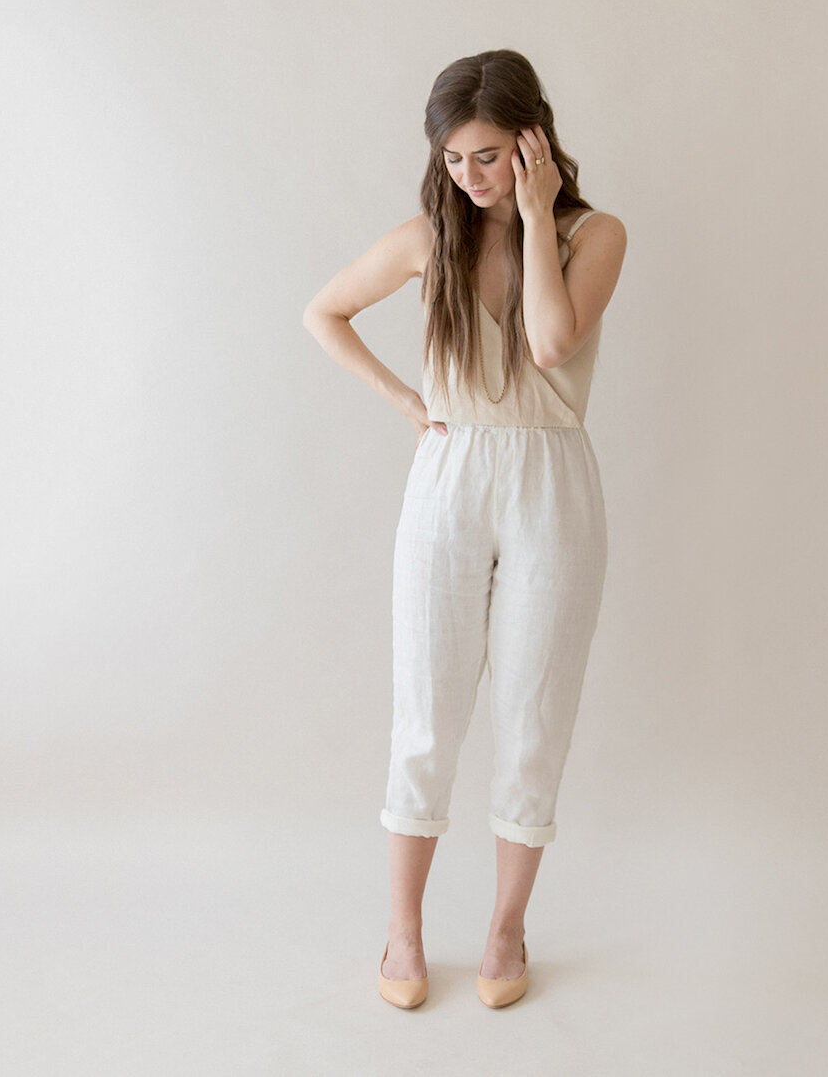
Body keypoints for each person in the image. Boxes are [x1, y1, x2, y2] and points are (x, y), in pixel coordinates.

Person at [302, 49, 626, 1009]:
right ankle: (403, 931)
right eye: (454, 159)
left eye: (488, 156)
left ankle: (505, 927)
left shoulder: (594, 235)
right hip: (448, 482)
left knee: (534, 720)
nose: (470, 177)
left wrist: (535, 213)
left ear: (533, 142)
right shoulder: (426, 240)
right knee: (426, 717)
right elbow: (325, 311)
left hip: (552, 483)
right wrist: (408, 400)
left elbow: (552, 343)